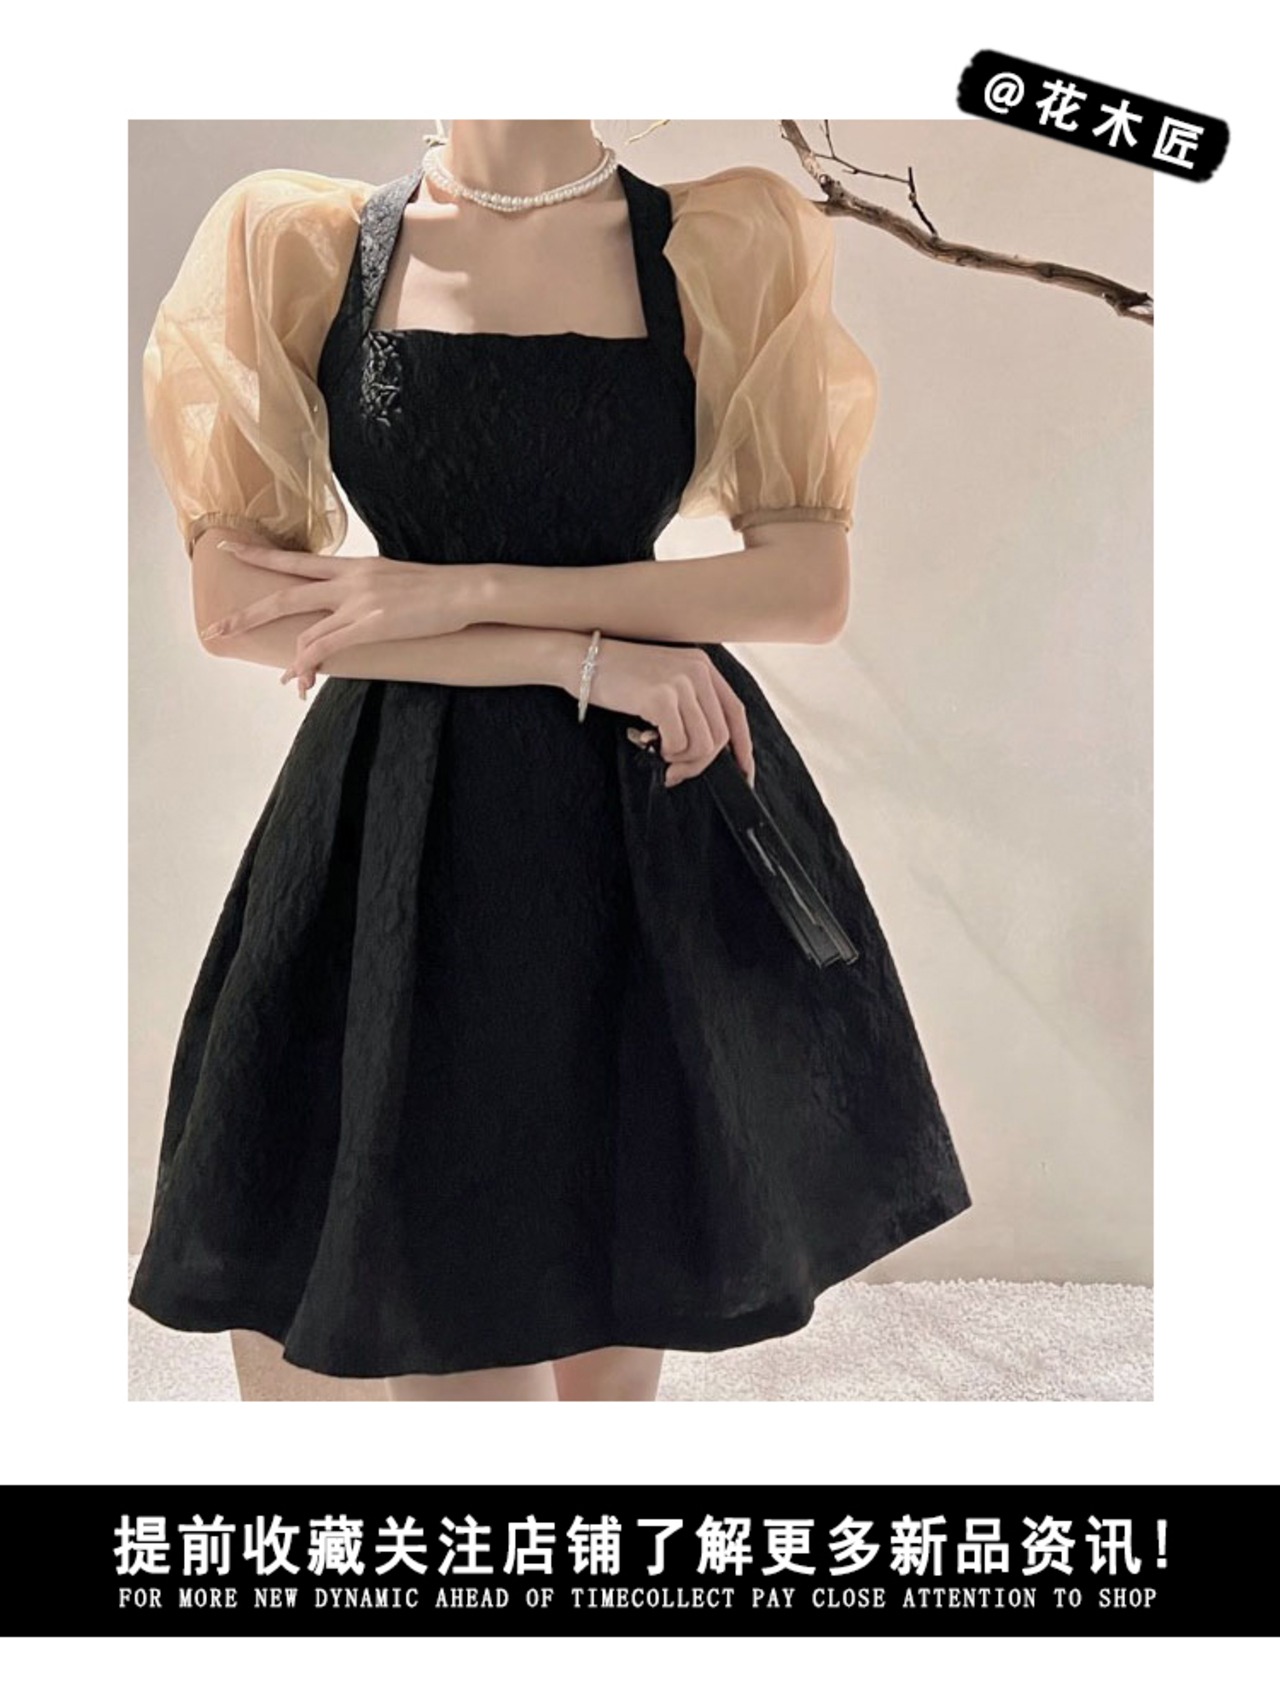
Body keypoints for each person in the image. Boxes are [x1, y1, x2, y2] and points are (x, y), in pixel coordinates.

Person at [129, 119, 973, 1402]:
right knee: (444, 1301)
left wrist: (457, 589)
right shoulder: (297, 245)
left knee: (620, 1276)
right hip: (408, 818)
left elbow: (804, 588)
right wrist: (574, 657)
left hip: (638, 809)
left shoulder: (720, 243)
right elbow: (240, 611)